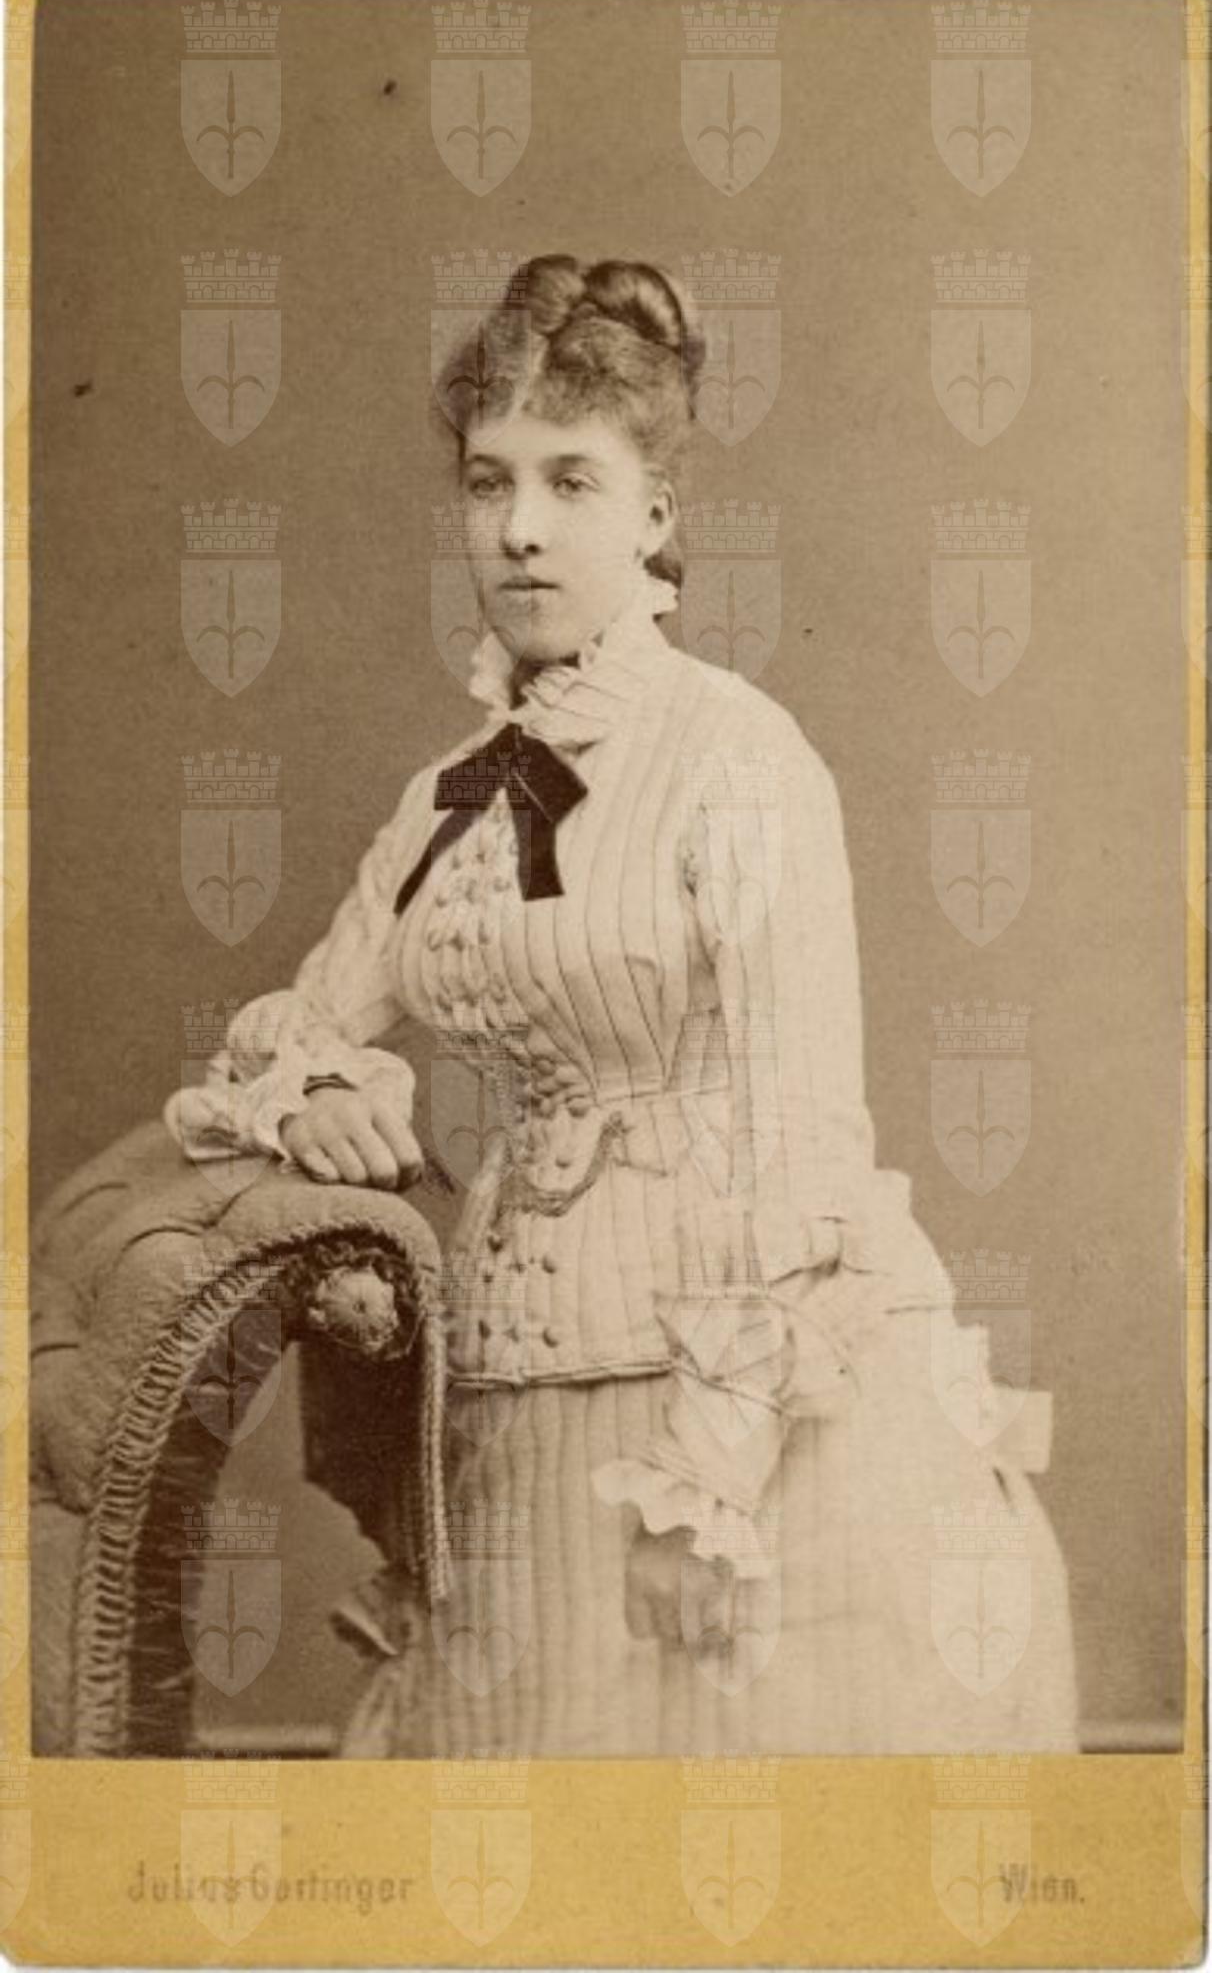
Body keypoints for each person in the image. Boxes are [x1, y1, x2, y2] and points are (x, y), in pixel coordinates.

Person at [164, 253, 1081, 1757]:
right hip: (515, 1402)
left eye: (570, 481)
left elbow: (806, 1149)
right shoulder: (455, 795)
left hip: (750, 1417)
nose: (519, 528)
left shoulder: (739, 760)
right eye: (489, 482)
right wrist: (322, 1089)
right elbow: (293, 1027)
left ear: (656, 515)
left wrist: (709, 1484)